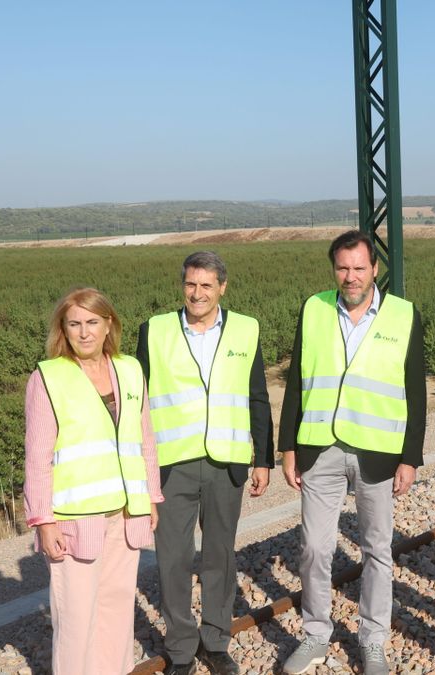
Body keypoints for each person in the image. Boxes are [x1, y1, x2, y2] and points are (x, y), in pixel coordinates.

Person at [277, 230, 426, 675]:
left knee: (377, 550)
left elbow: (415, 391)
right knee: (314, 549)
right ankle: (315, 635)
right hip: (319, 448)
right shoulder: (314, 308)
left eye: (359, 267)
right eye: (343, 267)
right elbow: (296, 381)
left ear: (374, 269)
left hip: (378, 453)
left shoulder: (402, 315)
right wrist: (288, 446)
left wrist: (410, 457)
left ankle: (373, 640)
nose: (351, 276)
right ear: (334, 269)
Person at [136, 251, 274, 675]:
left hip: (226, 462)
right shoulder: (155, 330)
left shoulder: (246, 329)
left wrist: (264, 459)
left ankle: (215, 640)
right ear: (183, 286)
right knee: (173, 558)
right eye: (191, 285)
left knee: (219, 556)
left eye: (206, 286)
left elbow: (257, 397)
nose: (197, 294)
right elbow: (137, 402)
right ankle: (180, 647)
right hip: (172, 464)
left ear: (222, 288)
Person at [24, 287, 163, 675]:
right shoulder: (48, 378)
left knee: (117, 609)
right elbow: (36, 458)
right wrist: (43, 520)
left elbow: (145, 438)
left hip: (126, 512)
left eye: (92, 323)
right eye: (74, 324)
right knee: (75, 617)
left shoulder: (130, 369)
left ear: (108, 325)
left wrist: (151, 495)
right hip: (75, 519)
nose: (84, 332)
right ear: (63, 331)